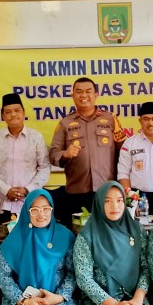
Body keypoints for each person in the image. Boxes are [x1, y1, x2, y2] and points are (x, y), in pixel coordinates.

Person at [49, 77, 125, 225]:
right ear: (73, 96)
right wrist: (65, 154)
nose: (84, 95)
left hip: (107, 191)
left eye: (88, 91)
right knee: (80, 233)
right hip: (77, 192)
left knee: (108, 233)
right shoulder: (65, 123)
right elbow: (53, 154)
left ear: (96, 95)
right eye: (79, 92)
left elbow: (124, 153)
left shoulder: (111, 119)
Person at [0, 93, 50, 222]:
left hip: (32, 202)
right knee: (6, 240)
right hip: (3, 203)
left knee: (32, 240)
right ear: (3, 116)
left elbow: (44, 168)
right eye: (8, 112)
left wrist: (27, 190)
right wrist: (6, 190)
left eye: (17, 110)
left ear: (24, 112)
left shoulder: (36, 137)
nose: (13, 114)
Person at [117, 101, 153, 217]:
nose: (150, 123)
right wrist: (130, 200)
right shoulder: (129, 143)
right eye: (146, 119)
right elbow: (123, 174)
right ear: (140, 121)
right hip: (138, 199)